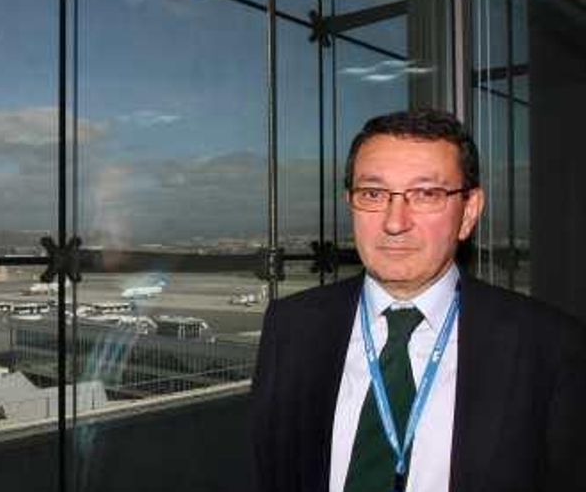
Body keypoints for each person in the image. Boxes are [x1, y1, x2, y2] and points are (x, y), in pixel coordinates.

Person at [251, 109, 586, 492]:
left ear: (469, 212)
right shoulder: (291, 328)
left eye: (426, 194)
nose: (395, 222)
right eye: (373, 194)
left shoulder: (549, 347)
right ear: (351, 203)